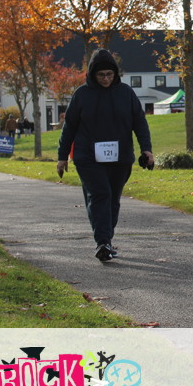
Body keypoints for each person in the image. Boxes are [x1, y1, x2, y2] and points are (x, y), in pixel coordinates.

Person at [57, 49, 154, 262]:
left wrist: (146, 149)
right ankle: (102, 242)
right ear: (92, 74)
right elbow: (69, 127)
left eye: (109, 74)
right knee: (100, 194)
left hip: (120, 157)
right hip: (88, 157)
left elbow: (139, 122)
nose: (106, 79)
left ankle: (106, 240)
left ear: (115, 74)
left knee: (112, 200)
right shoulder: (82, 95)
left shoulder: (126, 93)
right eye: (101, 75)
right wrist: (62, 157)